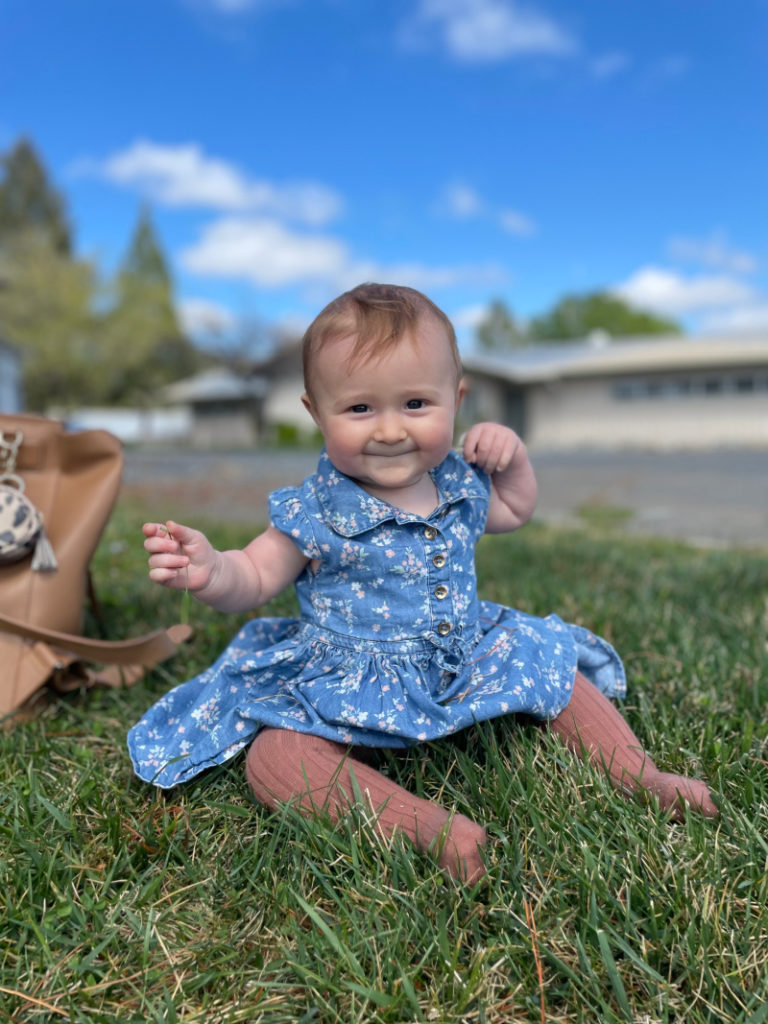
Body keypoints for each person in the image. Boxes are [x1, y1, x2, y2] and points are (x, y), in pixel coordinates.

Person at [128, 283, 717, 884]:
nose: (389, 430)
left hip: (465, 652)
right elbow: (251, 576)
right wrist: (211, 570)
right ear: (315, 412)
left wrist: (512, 462)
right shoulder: (315, 512)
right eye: (359, 409)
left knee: (553, 665)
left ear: (455, 399)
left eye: (415, 404)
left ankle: (642, 776)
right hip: (351, 674)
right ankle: (429, 830)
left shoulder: (459, 484)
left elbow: (514, 512)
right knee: (276, 757)